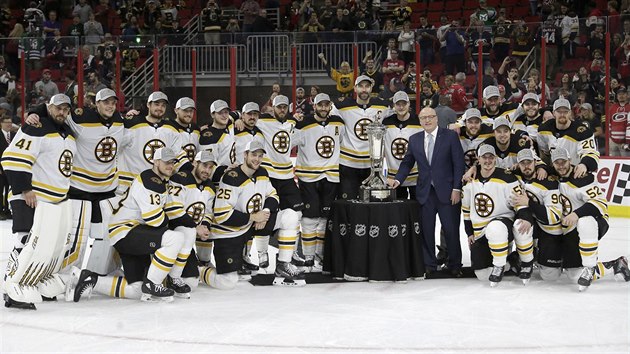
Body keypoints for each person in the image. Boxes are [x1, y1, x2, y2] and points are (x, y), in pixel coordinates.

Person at [73, 147, 196, 302]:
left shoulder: (158, 180)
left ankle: (91, 279)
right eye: (166, 162)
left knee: (139, 290)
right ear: (156, 161)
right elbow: (155, 220)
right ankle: (155, 282)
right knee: (176, 237)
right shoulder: (151, 181)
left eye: (173, 162)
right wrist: (169, 220)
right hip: (127, 232)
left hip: (131, 233)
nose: (170, 166)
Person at [2, 94, 76, 309]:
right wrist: (25, 188)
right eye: (57, 108)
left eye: (65, 109)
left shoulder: (67, 133)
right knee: (25, 242)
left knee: (46, 246)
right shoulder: (36, 126)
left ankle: (33, 281)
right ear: (49, 108)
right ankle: (12, 289)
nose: (61, 112)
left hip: (52, 201)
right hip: (30, 196)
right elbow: (12, 158)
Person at [209, 140, 304, 288]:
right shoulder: (231, 177)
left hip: (252, 224)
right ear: (245, 155)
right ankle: (199, 269)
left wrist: (265, 213)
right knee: (227, 281)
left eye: (260, 156)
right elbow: (221, 215)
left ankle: (283, 265)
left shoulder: (262, 172)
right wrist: (253, 217)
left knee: (290, 216)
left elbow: (273, 195)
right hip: (229, 231)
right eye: (254, 155)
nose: (257, 159)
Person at [389, 107, 465, 276]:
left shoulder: (450, 136)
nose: (427, 120)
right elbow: (408, 162)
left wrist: (456, 188)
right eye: (423, 118)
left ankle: (455, 265)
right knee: (426, 231)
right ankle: (429, 264)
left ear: (436, 119)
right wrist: (398, 179)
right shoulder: (414, 139)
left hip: (448, 191)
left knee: (451, 230)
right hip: (425, 193)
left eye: (430, 117)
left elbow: (459, 163)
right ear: (420, 120)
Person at [461, 144, 534, 286]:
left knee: (496, 228)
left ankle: (502, 265)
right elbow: (466, 209)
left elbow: (520, 202)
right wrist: (469, 232)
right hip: (480, 231)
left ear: (495, 159)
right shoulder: (470, 180)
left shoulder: (507, 178)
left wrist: (526, 217)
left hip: (503, 224)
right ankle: (510, 261)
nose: (488, 161)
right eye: (484, 157)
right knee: (482, 274)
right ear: (478, 159)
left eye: (491, 157)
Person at [293, 93, 344, 269]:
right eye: (319, 105)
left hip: (331, 176)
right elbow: (287, 144)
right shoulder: (303, 124)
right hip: (309, 177)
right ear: (314, 106)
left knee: (324, 218)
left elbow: (343, 143)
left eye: (326, 105)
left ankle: (320, 256)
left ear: (330, 106)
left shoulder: (338, 122)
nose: (323, 108)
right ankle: (308, 257)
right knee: (309, 218)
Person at [550, 148, 609, 291]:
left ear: (570, 161)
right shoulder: (553, 177)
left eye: (563, 161)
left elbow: (600, 203)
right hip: (570, 228)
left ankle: (590, 267)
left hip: (594, 221)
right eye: (557, 163)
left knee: (585, 221)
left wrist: (576, 214)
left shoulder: (583, 177)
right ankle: (614, 265)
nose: (561, 166)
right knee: (574, 276)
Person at [332, 75, 392, 199]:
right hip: (348, 164)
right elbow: (325, 111)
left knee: (371, 203)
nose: (364, 90)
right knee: (348, 202)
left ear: (371, 88)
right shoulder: (342, 106)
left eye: (367, 86)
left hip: (372, 166)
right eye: (361, 86)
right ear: (355, 88)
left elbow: (399, 111)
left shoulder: (383, 107)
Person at [511, 149, 562, 283]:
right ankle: (526, 261)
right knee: (519, 225)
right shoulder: (514, 177)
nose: (526, 166)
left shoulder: (549, 182)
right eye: (523, 163)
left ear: (535, 162)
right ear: (518, 165)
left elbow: (553, 217)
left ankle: (560, 258)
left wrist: (529, 203)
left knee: (550, 276)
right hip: (532, 222)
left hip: (549, 228)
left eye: (529, 162)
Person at [118, 91, 171, 193]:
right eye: (156, 104)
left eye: (163, 105)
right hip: (129, 187)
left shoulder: (170, 130)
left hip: (156, 187)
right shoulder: (132, 124)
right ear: (148, 105)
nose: (160, 108)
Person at [537, 98, 599, 175]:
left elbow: (591, 153)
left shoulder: (582, 131)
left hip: (575, 173)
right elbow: (544, 151)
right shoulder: (544, 128)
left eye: (565, 112)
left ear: (570, 113)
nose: (562, 115)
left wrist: (584, 165)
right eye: (559, 112)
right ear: (553, 113)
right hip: (554, 174)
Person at [382, 91, 422, 200]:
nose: (401, 107)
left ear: (409, 104)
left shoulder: (419, 122)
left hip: (416, 177)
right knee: (399, 212)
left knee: (417, 210)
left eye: (404, 104)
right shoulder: (386, 123)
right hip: (393, 178)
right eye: (398, 104)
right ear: (394, 106)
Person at [199, 99, 236, 185]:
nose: (224, 115)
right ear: (212, 114)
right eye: (220, 113)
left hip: (231, 178)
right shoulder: (208, 137)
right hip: (218, 183)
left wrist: (239, 120)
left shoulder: (229, 123)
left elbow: (237, 114)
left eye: (226, 112)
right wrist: (225, 170)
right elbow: (207, 166)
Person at [608, 87, 630, 157]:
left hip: (624, 142)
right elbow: (609, 123)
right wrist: (609, 137)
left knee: (625, 164)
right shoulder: (612, 107)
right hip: (612, 141)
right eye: (619, 94)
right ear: (617, 97)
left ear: (627, 95)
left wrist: (627, 142)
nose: (621, 96)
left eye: (623, 94)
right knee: (612, 162)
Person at [0, 115, 12, 219]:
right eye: (6, 122)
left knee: (9, 190)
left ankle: (8, 210)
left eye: (10, 122)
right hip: (1, 169)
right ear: (1, 124)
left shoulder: (14, 135)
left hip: (11, 168)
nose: (9, 124)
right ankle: (1, 211)